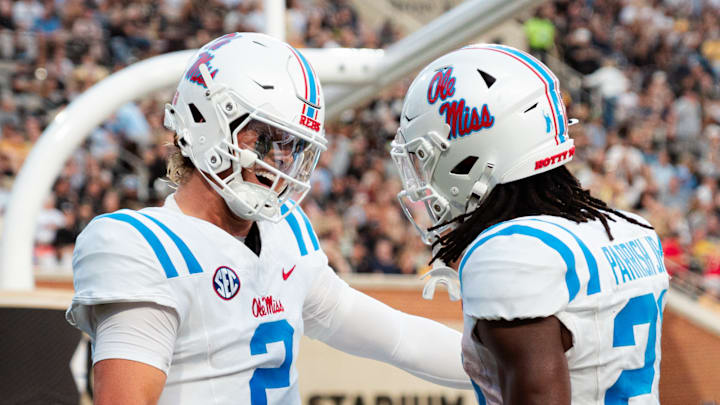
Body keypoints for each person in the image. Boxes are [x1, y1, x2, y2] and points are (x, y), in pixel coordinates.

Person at [65, 33, 471, 404]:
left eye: (292, 144)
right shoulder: (142, 247)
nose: (281, 158)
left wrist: (503, 370)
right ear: (207, 122)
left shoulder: (285, 232)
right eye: (264, 137)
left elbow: (399, 338)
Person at [391, 44, 669, 404]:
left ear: (468, 154)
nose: (421, 179)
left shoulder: (508, 254)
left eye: (424, 158)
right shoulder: (629, 227)